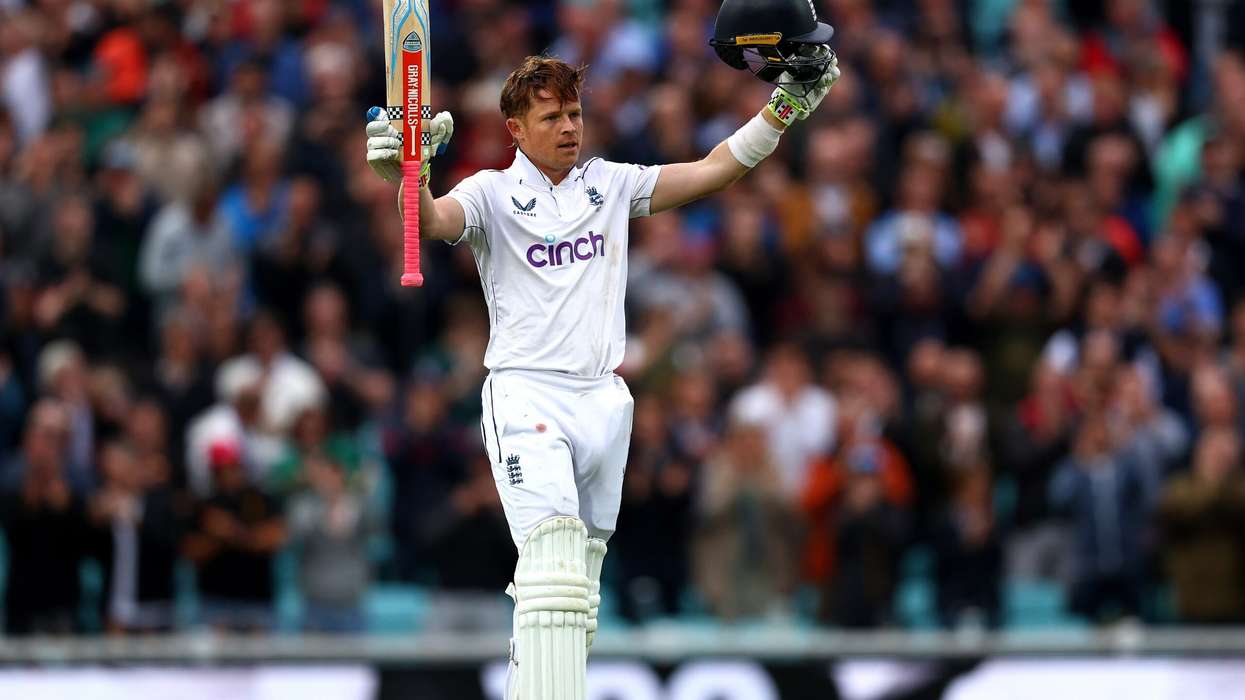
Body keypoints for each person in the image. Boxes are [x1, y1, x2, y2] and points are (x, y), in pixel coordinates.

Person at [364, 0, 840, 694]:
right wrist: (404, 179)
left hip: (603, 401)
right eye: (551, 117)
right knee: (552, 561)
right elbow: (434, 220)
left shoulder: (609, 184)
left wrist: (785, 108)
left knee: (574, 591)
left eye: (574, 114)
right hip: (528, 393)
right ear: (515, 128)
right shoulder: (492, 194)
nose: (567, 127)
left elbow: (714, 170)